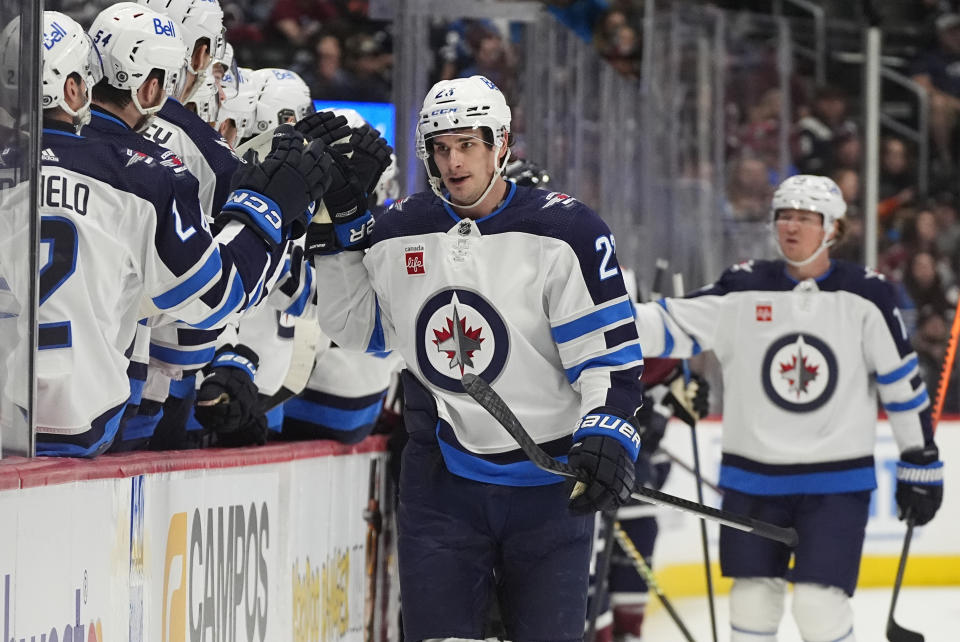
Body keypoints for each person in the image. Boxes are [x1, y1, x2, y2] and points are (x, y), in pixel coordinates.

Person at [307, 75, 645, 641]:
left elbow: (605, 352)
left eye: (467, 144)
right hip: (443, 483)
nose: (453, 162)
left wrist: (609, 429)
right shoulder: (397, 231)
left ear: (501, 143)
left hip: (549, 484)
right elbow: (359, 331)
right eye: (441, 148)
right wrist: (338, 238)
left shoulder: (566, 232)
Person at [633, 174, 944, 642]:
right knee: (752, 602)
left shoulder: (868, 295)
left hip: (836, 484)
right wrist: (589, 310)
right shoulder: (742, 287)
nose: (791, 228)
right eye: (784, 216)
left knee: (820, 607)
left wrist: (920, 459)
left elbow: (902, 385)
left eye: (805, 218)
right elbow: (663, 324)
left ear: (833, 229)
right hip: (752, 479)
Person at [24, 9, 331, 456]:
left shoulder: (18, 165)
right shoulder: (146, 176)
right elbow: (211, 301)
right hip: (89, 420)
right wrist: (271, 212)